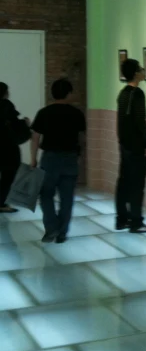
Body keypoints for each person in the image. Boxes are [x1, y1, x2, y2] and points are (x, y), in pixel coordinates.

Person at [30, 79, 86, 243]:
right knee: (67, 197)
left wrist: (33, 159)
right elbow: (82, 138)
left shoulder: (44, 112)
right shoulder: (77, 114)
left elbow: (35, 137)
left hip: (50, 158)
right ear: (68, 93)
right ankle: (62, 232)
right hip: (70, 158)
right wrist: (79, 156)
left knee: (46, 194)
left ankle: (52, 228)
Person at [115, 59, 146, 233]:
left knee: (123, 181)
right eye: (140, 69)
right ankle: (136, 222)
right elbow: (140, 121)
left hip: (125, 144)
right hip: (136, 146)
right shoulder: (137, 94)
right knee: (137, 184)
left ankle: (121, 219)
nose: (142, 71)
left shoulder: (123, 93)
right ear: (135, 73)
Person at [0, 82, 30, 213]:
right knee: (8, 177)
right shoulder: (6, 106)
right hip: (7, 149)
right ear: (5, 93)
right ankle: (1, 203)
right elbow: (14, 123)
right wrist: (25, 123)